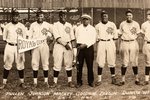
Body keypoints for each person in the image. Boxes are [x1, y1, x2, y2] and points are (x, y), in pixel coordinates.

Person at [0, 10, 27, 89]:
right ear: (12, 17)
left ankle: (22, 83)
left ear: (19, 17)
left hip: (19, 47)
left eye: (17, 16)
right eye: (14, 16)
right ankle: (4, 83)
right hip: (9, 46)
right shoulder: (7, 26)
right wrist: (11, 42)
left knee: (20, 65)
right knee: (7, 65)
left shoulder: (22, 26)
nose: (15, 17)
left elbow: (24, 37)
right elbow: (4, 38)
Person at [51, 11, 76, 88]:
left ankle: (70, 81)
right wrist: (65, 44)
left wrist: (73, 47)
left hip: (68, 45)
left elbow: (72, 38)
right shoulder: (55, 25)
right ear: (59, 16)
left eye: (64, 16)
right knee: (57, 63)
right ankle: (55, 82)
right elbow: (57, 37)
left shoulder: (69, 25)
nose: (63, 17)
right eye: (61, 16)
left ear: (66, 16)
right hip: (59, 45)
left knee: (68, 64)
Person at [29, 11, 53, 88]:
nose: (40, 17)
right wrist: (30, 47)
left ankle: (46, 82)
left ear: (43, 17)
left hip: (44, 44)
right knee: (35, 63)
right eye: (39, 16)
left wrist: (51, 39)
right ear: (36, 17)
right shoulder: (33, 25)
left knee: (45, 63)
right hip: (35, 45)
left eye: (41, 16)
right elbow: (29, 37)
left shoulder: (47, 25)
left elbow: (54, 33)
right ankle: (35, 82)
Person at [117, 9, 141, 86]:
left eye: (130, 15)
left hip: (133, 42)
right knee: (124, 62)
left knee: (134, 62)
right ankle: (123, 80)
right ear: (126, 16)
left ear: (132, 16)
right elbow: (120, 34)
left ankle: (136, 78)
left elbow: (138, 34)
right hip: (124, 42)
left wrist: (133, 40)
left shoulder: (136, 24)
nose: (128, 16)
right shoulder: (122, 24)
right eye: (127, 15)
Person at [95, 10, 118, 86]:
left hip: (110, 42)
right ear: (101, 17)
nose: (105, 17)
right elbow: (96, 37)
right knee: (100, 61)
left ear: (108, 17)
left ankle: (113, 78)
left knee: (111, 60)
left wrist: (112, 44)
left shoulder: (112, 24)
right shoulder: (97, 26)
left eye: (106, 16)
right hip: (101, 42)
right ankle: (99, 79)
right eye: (103, 16)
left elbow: (115, 36)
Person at [75, 14, 97, 88]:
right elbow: (76, 37)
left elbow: (93, 39)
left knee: (90, 65)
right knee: (79, 66)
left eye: (87, 19)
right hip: (80, 48)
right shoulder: (78, 28)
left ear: (89, 20)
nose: (85, 21)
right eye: (84, 19)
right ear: (82, 20)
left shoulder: (92, 29)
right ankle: (79, 82)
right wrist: (79, 45)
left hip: (89, 48)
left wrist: (85, 44)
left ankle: (91, 81)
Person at [141, 10, 150, 85]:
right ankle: (146, 79)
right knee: (148, 62)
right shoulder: (144, 24)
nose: (149, 16)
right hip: (147, 44)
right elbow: (142, 35)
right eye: (148, 15)